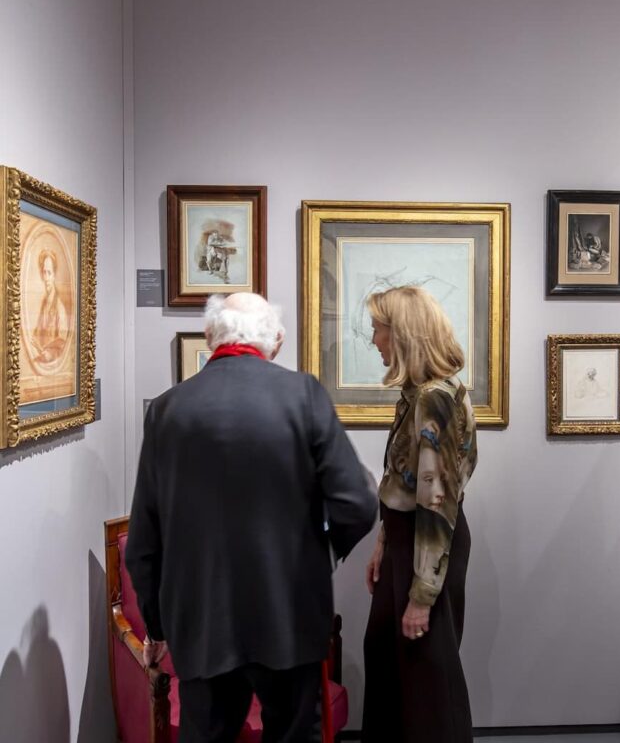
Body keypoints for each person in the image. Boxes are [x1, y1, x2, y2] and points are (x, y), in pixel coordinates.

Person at [126, 292, 378, 743]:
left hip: (201, 622)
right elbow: (357, 502)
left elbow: (145, 541)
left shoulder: (166, 410)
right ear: (275, 341)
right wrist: (319, 556)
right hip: (290, 616)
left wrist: (158, 627)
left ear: (210, 336)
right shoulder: (303, 394)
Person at [361, 286, 478, 743]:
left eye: (378, 329)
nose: (374, 340)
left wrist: (421, 595)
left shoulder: (435, 397)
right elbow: (403, 478)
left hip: (427, 544)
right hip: (406, 539)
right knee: (392, 664)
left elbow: (436, 498)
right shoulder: (418, 393)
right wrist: (383, 543)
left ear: (403, 334)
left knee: (427, 680)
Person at [31, 248, 69, 366]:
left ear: (54, 275)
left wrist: (50, 354)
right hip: (42, 359)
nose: (46, 277)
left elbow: (62, 343)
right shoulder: (44, 303)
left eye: (49, 273)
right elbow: (37, 334)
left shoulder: (59, 307)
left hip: (53, 364)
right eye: (44, 272)